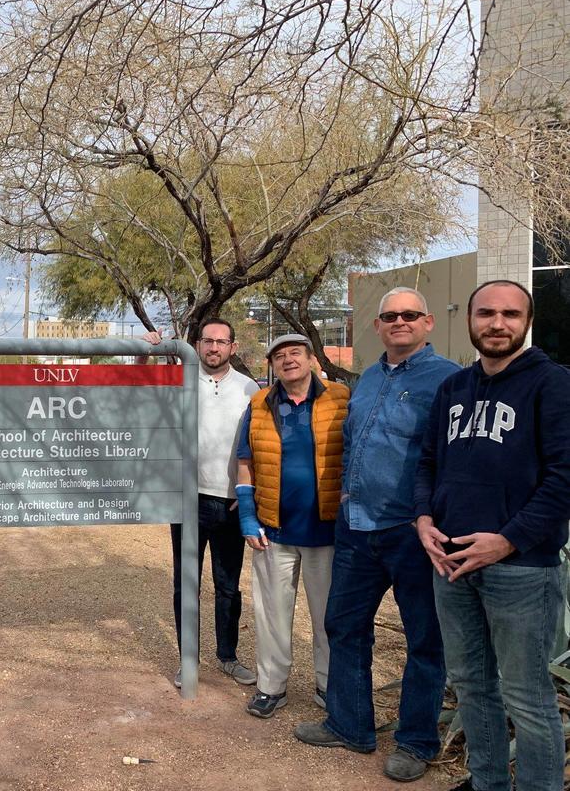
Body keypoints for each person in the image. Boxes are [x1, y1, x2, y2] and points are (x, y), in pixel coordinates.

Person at [293, 288, 456, 782]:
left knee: (424, 640)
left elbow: (452, 457)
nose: (399, 321)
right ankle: (350, 724)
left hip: (413, 531)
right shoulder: (366, 378)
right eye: (390, 316)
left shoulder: (449, 380)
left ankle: (416, 741)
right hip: (357, 527)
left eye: (409, 314)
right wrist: (346, 489)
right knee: (344, 626)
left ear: (428, 322)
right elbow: (353, 441)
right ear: (378, 325)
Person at [414, 280, 570, 791]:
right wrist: (423, 518)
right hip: (452, 562)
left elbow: (564, 478)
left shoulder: (553, 384)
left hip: (521, 571)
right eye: (486, 313)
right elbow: (428, 463)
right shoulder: (453, 389)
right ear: (470, 320)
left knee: (527, 698)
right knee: (472, 686)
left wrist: (506, 540)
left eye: (510, 314)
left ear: (527, 322)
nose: (497, 323)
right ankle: (487, 782)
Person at [235, 332, 349, 718]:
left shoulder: (341, 398)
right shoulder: (259, 403)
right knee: (272, 615)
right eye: (279, 356)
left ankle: (328, 686)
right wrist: (248, 517)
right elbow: (245, 462)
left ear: (312, 358)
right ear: (272, 365)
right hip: (273, 531)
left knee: (328, 616)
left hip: (326, 531)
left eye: (295, 352)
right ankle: (271, 687)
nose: (288, 360)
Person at [142, 319, 259, 688]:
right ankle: (187, 660)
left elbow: (258, 445)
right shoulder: (180, 380)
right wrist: (146, 353)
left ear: (233, 347)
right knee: (186, 584)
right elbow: (140, 393)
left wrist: (249, 493)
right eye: (208, 341)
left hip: (230, 503)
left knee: (228, 586)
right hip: (187, 500)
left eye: (221, 342)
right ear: (197, 344)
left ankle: (227, 656)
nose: (214, 348)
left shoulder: (250, 388)